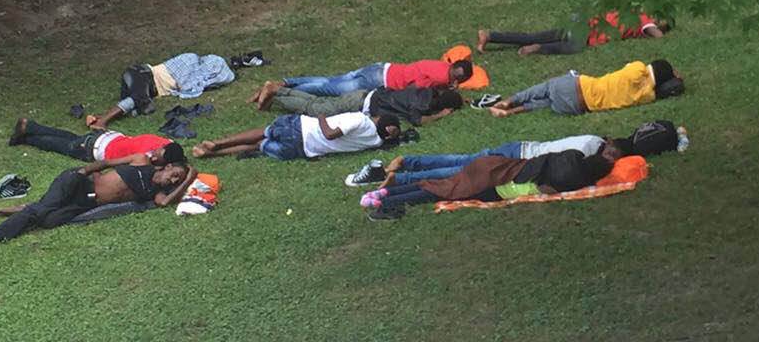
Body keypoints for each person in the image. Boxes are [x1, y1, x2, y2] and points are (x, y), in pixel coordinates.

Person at [0, 160, 195, 253]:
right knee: (41, 211)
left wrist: (187, 180)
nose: (173, 181)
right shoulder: (141, 164)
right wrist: (83, 172)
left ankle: (26, 208)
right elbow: (108, 162)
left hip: (85, 201)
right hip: (79, 182)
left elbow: (165, 203)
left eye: (177, 181)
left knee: (49, 220)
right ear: (166, 167)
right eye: (175, 175)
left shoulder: (152, 193)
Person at [361, 149, 614, 221]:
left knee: (441, 183)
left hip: (494, 165)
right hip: (493, 184)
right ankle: (386, 200)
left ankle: (385, 192)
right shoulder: (572, 179)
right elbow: (546, 190)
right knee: (439, 190)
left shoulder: (572, 154)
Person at [346, 134, 615, 187]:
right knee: (459, 173)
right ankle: (401, 177)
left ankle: (408, 162)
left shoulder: (590, 139)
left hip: (518, 148)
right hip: (517, 161)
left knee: (462, 161)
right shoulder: (589, 152)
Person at [86, 52, 236, 129]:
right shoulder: (190, 60)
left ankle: (98, 118)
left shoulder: (195, 66)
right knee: (138, 99)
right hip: (143, 74)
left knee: (139, 109)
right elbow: (188, 82)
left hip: (145, 83)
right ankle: (103, 122)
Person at [488, 59, 683, 118]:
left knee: (546, 88)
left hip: (580, 86)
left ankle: (509, 101)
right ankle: (513, 111)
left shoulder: (638, 69)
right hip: (577, 108)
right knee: (548, 102)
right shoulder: (647, 95)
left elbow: (631, 67)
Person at [191, 112, 401, 161]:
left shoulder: (361, 120)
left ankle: (217, 143)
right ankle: (212, 154)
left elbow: (329, 134)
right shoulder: (375, 142)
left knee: (265, 131)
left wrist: (320, 117)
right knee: (258, 145)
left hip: (301, 129)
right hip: (299, 151)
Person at [251, 81, 463, 126]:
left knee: (320, 102)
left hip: (364, 95)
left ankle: (277, 91)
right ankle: (276, 94)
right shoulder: (423, 104)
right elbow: (418, 120)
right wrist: (440, 115)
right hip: (361, 104)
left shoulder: (426, 91)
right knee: (316, 110)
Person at [477, 11, 672, 56]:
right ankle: (538, 49)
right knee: (573, 46)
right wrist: (661, 31)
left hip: (583, 20)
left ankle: (491, 35)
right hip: (588, 30)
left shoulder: (634, 12)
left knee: (533, 35)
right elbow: (654, 33)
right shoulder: (646, 20)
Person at [8, 117, 185, 166]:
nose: (154, 158)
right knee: (62, 146)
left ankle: (31, 126)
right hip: (95, 148)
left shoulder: (164, 141)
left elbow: (173, 150)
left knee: (71, 137)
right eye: (157, 156)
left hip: (108, 137)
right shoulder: (147, 157)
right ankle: (28, 138)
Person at [282, 59, 473, 97]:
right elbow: (416, 90)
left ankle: (287, 82)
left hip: (381, 67)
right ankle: (283, 92)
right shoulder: (442, 78)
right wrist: (443, 91)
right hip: (380, 81)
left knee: (332, 80)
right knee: (330, 89)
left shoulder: (442, 65)